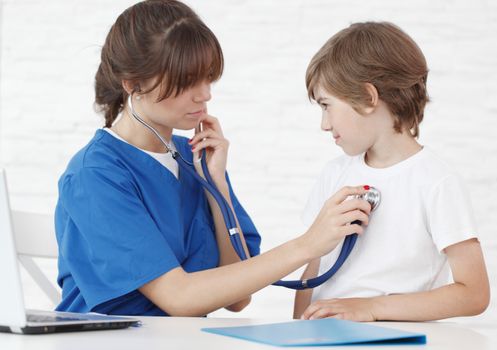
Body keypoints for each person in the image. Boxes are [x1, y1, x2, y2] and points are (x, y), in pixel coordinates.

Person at [54, 0, 370, 317]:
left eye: (207, 76)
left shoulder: (197, 159)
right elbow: (179, 298)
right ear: (133, 84)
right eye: (186, 80)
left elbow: (238, 299)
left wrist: (215, 184)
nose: (205, 93)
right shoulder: (94, 174)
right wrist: (309, 244)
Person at [294, 22, 490, 321]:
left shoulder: (436, 182)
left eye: (326, 105)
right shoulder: (334, 174)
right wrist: (299, 330)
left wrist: (371, 308)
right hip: (327, 335)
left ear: (368, 97)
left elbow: (474, 293)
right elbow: (313, 264)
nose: (324, 124)